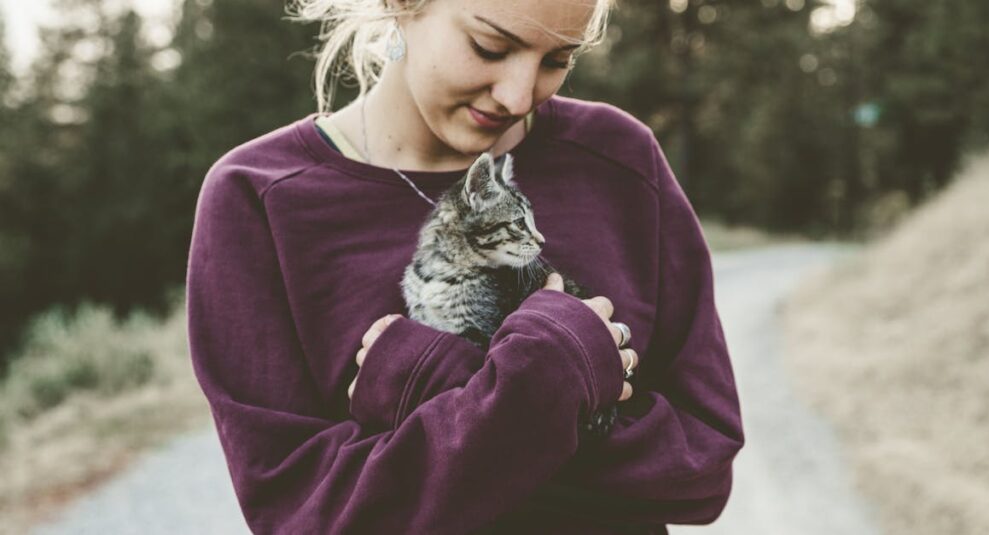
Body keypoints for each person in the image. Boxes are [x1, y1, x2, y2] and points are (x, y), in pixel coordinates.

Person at [185, 0, 744, 533]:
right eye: (489, 47)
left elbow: (702, 469)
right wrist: (544, 383)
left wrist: (435, 388)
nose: (519, 96)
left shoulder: (620, 159)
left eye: (557, 60)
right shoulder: (259, 198)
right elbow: (305, 513)